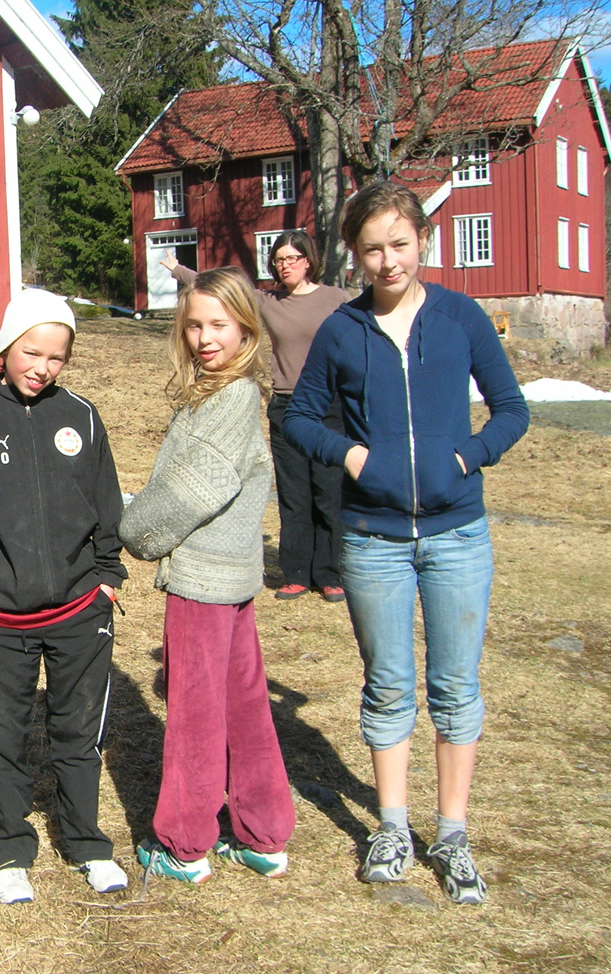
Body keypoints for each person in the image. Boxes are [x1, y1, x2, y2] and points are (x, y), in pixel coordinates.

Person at [283, 181, 529, 904]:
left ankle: (451, 833)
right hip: (371, 539)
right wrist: (352, 457)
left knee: (455, 689)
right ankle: (390, 825)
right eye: (371, 249)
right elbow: (300, 417)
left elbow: (510, 410)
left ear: (422, 239)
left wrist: (466, 458)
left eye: (399, 243)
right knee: (387, 686)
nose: (387, 261)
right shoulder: (341, 329)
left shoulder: (458, 317)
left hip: (457, 535)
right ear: (353, 254)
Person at [0, 288, 129, 905]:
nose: (42, 367)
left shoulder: (82, 416)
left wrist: (106, 580)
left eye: (56, 357)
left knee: (79, 733)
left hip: (79, 610)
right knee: (4, 735)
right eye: (31, 351)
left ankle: (85, 843)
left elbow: (108, 506)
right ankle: (8, 846)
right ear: (5, 346)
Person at [119, 267, 296, 884]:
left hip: (203, 580)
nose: (204, 337)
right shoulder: (230, 392)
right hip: (235, 577)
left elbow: (190, 491)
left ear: (247, 325)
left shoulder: (232, 396)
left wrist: (129, 527)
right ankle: (262, 832)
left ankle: (186, 843)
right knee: (244, 704)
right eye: (193, 325)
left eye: (218, 324)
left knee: (196, 711)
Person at [164, 234, 350, 602]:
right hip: (287, 405)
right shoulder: (268, 301)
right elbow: (218, 293)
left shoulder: (337, 299)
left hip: (329, 404)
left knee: (328, 491)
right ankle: (296, 572)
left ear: (309, 260)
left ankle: (330, 573)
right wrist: (177, 270)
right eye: (279, 259)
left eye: (293, 258)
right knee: (294, 491)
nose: (285, 265)